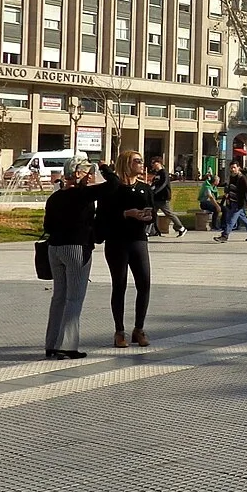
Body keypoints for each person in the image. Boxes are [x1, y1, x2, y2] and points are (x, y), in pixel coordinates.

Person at [43, 154, 119, 359]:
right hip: (76, 248)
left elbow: (47, 226)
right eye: (87, 172)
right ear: (77, 173)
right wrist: (105, 167)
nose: (90, 176)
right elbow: (113, 185)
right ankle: (67, 345)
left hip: (54, 249)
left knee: (59, 296)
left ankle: (51, 343)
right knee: (74, 297)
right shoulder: (81, 195)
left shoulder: (55, 197)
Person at [98, 150, 157, 348]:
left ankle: (139, 328)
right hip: (117, 241)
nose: (141, 164)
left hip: (138, 239)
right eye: (137, 161)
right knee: (120, 284)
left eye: (141, 160)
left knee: (144, 283)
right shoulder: (112, 189)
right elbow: (103, 216)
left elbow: (152, 211)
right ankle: (119, 330)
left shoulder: (145, 188)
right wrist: (125, 214)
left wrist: (149, 216)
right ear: (126, 164)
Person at [214, 162, 247, 242]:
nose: (233, 169)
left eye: (234, 167)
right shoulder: (232, 177)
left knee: (231, 220)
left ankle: (225, 235)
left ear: (238, 168)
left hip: (239, 203)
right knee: (243, 217)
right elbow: (229, 187)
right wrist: (227, 194)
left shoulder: (242, 178)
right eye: (231, 168)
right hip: (232, 201)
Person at [150, 158, 186, 238]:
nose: (152, 165)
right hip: (156, 198)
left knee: (169, 213)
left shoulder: (164, 173)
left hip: (163, 197)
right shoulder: (157, 174)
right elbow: (154, 184)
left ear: (159, 163)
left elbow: (164, 184)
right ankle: (154, 230)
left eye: (154, 163)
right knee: (152, 213)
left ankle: (181, 228)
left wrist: (156, 191)